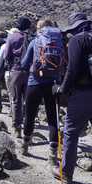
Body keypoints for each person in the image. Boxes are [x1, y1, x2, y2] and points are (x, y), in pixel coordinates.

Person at [53, 12, 92, 183]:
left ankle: (66, 172)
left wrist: (63, 90)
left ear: (74, 27)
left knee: (71, 131)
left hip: (83, 92)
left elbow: (73, 69)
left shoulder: (77, 40)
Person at [20, 19, 64, 157]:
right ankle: (52, 154)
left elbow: (25, 64)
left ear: (40, 28)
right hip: (53, 84)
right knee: (52, 117)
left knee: (30, 115)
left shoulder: (35, 42)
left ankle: (25, 146)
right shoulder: (60, 43)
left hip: (34, 83)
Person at [3, 17, 32, 138]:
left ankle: (17, 128)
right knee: (28, 101)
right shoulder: (30, 38)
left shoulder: (12, 37)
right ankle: (28, 127)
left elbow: (6, 55)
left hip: (15, 70)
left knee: (16, 100)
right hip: (29, 72)